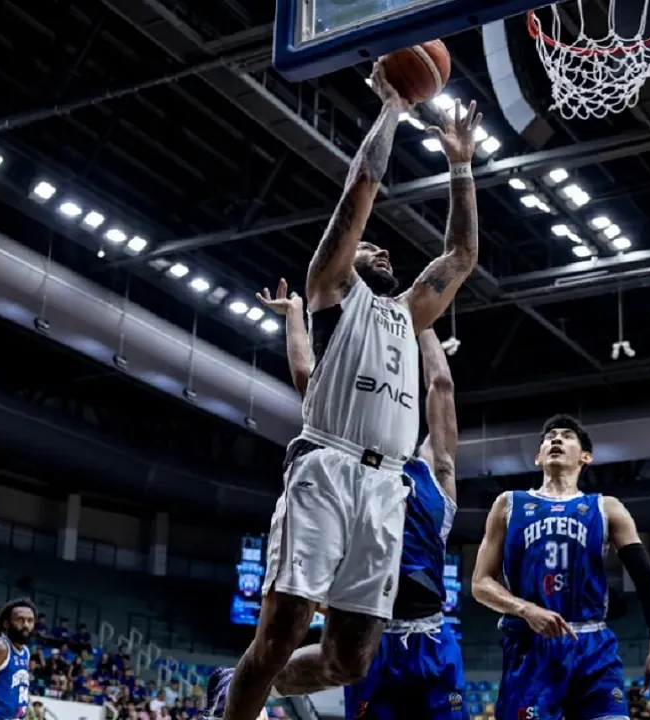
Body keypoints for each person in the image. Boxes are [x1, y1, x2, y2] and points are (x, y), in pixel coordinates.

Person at [203, 58, 480, 720]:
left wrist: (462, 167)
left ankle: (233, 686)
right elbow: (361, 189)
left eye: (384, 251)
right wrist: (393, 109)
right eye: (369, 249)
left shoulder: (410, 314)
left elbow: (461, 259)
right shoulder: (331, 291)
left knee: (350, 659)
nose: (379, 251)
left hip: (390, 487)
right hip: (327, 467)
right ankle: (236, 704)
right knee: (281, 632)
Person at [254, 278, 464, 719]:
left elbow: (440, 384)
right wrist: (295, 316)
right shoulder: (352, 458)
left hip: (432, 635)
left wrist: (415, 317)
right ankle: (248, 682)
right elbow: (307, 380)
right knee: (327, 665)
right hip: (371, 628)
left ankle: (251, 681)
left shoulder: (432, 471)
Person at [471, 414, 650, 720]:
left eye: (567, 436)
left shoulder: (606, 508)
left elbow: (647, 581)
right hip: (531, 646)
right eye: (550, 436)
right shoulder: (509, 504)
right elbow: (480, 583)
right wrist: (525, 609)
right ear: (539, 457)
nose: (556, 439)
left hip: (591, 646)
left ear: (585, 456)